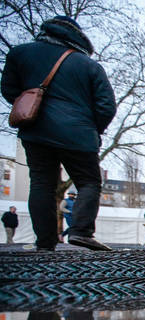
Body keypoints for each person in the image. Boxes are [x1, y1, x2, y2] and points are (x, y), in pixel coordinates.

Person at [1, 16, 116, 252]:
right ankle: (81, 232)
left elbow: (10, 91)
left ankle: (44, 242)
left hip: (36, 132)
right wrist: (94, 128)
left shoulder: (20, 54)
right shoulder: (88, 65)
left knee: (41, 183)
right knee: (89, 182)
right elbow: (106, 106)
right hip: (79, 133)